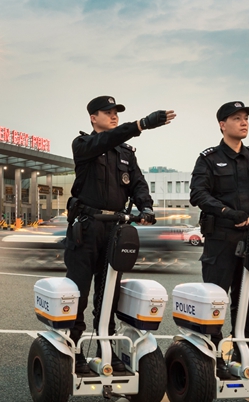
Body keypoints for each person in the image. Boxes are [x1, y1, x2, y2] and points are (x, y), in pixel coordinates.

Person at [65, 96, 176, 375]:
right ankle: (73, 350)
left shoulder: (126, 153)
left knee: (109, 293)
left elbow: (138, 183)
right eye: (108, 112)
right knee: (79, 292)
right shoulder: (83, 145)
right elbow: (107, 140)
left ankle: (106, 347)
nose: (114, 116)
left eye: (116, 112)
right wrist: (140, 125)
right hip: (87, 227)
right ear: (93, 117)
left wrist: (145, 207)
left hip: (115, 228)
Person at [189, 101, 249, 357]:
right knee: (216, 299)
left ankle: (243, 350)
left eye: (246, 118)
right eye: (237, 118)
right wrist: (227, 212)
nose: (244, 122)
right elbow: (198, 194)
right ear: (222, 125)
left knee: (246, 299)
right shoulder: (209, 159)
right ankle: (213, 353)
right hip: (221, 238)